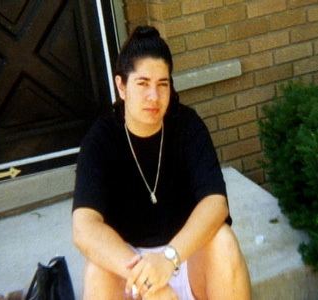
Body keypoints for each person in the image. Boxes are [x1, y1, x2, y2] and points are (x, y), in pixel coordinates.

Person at [72, 25, 251, 299]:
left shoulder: (187, 126)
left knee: (223, 242)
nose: (154, 97)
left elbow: (215, 203)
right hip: (129, 266)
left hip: (184, 256)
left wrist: (169, 259)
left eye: (162, 84)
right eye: (143, 84)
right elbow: (84, 227)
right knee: (97, 270)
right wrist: (144, 276)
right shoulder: (100, 139)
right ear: (122, 86)